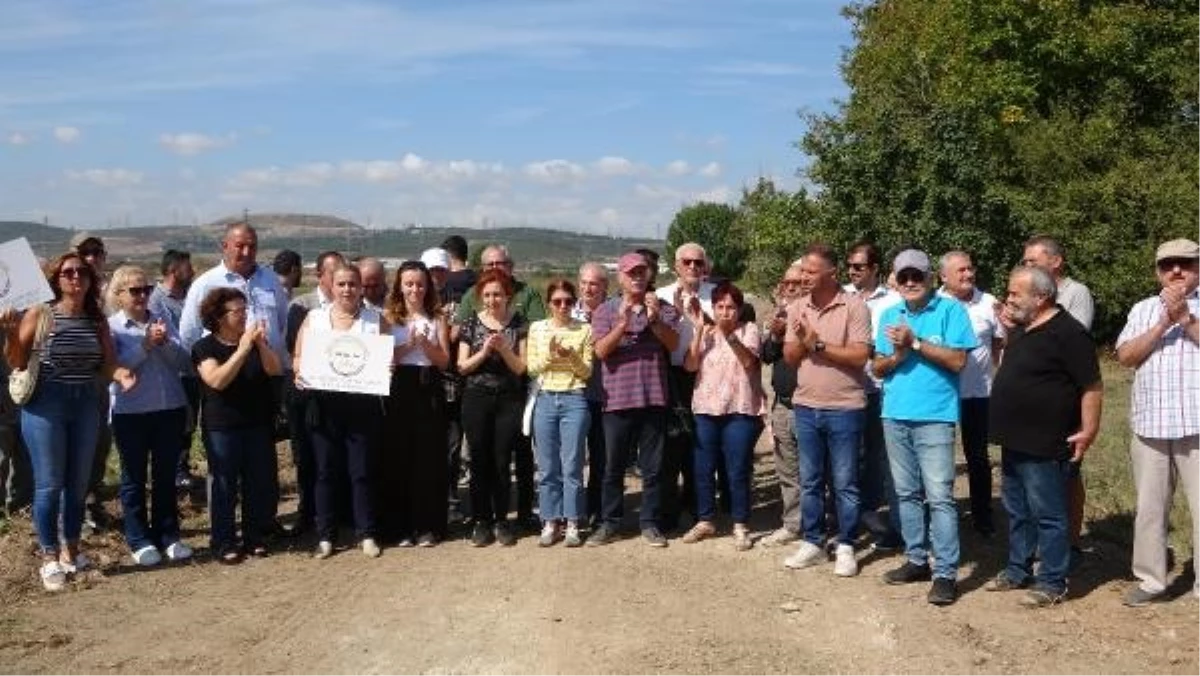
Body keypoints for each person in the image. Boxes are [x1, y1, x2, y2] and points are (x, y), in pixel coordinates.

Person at [2, 253, 122, 591]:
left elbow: (107, 363)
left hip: (85, 401)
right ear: (56, 279)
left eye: (82, 272)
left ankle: (72, 549)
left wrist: (122, 373)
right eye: (68, 272)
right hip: (46, 403)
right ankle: (49, 556)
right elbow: (17, 361)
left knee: (78, 484)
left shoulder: (96, 320)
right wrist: (11, 333)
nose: (75, 277)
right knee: (49, 484)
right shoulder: (41, 314)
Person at [986, 265, 1102, 608]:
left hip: (1047, 441)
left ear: (1041, 297)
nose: (1008, 299)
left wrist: (1089, 429)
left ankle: (1052, 580)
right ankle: (1017, 569)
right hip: (1015, 438)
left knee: (1049, 514)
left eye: (1014, 293)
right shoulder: (1024, 328)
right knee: (1017, 509)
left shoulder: (1068, 333)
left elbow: (1092, 386)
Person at [871, 249, 976, 606]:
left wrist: (914, 342)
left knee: (941, 497)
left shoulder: (950, 311)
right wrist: (899, 354)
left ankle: (945, 572)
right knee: (905, 493)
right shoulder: (889, 313)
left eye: (917, 276)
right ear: (896, 281)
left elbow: (958, 361)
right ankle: (917, 559)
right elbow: (878, 367)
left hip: (935, 416)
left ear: (931, 278)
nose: (911, 282)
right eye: (904, 277)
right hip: (895, 413)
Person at [180, 223, 290, 534]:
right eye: (239, 245)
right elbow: (189, 336)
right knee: (225, 468)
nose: (246, 252)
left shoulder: (270, 281)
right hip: (222, 386)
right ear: (224, 247)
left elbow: (280, 326)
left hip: (264, 378)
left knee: (262, 463)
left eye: (252, 246)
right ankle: (224, 534)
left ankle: (262, 524)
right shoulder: (206, 283)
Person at [1115, 238, 1200, 607]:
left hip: (1196, 423)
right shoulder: (1143, 308)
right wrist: (1162, 324)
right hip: (1151, 423)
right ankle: (1151, 580)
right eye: (1168, 265)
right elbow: (1125, 356)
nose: (1176, 271)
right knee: (1150, 508)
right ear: (1157, 271)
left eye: (1185, 264)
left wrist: (1185, 319)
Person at [780, 245, 872, 577]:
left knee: (845, 482)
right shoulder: (797, 308)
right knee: (811, 480)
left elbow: (860, 357)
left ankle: (846, 543)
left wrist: (817, 344)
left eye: (810, 271)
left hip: (845, 407)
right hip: (806, 405)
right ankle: (813, 542)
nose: (803, 277)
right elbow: (790, 358)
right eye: (802, 270)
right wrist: (804, 341)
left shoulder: (855, 307)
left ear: (831, 274)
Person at [293, 265, 386, 559]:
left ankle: (366, 533)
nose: (347, 289)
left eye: (352, 284)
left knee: (361, 472)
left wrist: (387, 367)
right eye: (341, 284)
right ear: (331, 286)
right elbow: (298, 357)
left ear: (361, 288)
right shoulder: (314, 318)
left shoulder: (375, 319)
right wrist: (300, 372)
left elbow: (386, 358)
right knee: (325, 471)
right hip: (324, 405)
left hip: (362, 406)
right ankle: (325, 536)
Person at [588, 252, 679, 547]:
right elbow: (600, 352)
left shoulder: (662, 307)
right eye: (631, 273)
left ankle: (649, 523)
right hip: (616, 400)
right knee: (612, 468)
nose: (637, 277)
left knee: (653, 468)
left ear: (650, 275)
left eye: (642, 272)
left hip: (653, 398)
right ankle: (610, 522)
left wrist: (654, 322)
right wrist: (622, 324)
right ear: (620, 277)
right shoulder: (605, 310)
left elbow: (673, 344)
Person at [106, 265, 194, 566]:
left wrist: (165, 342)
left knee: (165, 476)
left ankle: (168, 535)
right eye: (135, 291)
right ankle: (138, 538)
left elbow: (184, 362)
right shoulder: (111, 328)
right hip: (131, 413)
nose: (143, 296)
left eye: (146, 289)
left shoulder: (162, 319)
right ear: (118, 295)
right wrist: (145, 346)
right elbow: (114, 370)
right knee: (133, 478)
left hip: (168, 409)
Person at [192, 287, 283, 564]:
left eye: (246, 310)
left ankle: (254, 536)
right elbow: (217, 380)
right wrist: (242, 350)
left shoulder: (252, 343)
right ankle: (223, 541)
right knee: (223, 485)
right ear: (219, 316)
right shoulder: (205, 347)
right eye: (238, 311)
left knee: (257, 482)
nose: (245, 316)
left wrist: (260, 345)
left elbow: (274, 369)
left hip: (256, 423)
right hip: (223, 427)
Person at [1021, 235, 1095, 565]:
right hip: (1036, 400)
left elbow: (1070, 341)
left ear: (1056, 262)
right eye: (1025, 262)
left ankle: (1071, 543)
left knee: (1068, 472)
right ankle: (1043, 542)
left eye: (1033, 262)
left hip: (1067, 397)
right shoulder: (1026, 293)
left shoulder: (1075, 293)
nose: (1027, 267)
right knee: (1035, 473)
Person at [680, 282, 765, 551]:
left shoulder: (749, 330)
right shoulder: (706, 333)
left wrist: (729, 336)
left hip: (739, 409)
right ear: (713, 308)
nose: (725, 312)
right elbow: (690, 365)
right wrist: (697, 332)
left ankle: (740, 523)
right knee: (702, 468)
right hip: (706, 409)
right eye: (720, 307)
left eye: (731, 307)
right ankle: (706, 519)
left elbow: (750, 362)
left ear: (739, 309)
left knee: (737, 469)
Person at [457, 269, 529, 546]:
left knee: (501, 461)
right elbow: (462, 366)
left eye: (497, 294)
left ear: (507, 295)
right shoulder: (471, 323)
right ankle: (480, 521)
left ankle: (501, 520)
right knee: (479, 460)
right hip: (477, 398)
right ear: (479, 297)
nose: (492, 299)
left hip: (509, 399)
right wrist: (485, 351)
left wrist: (504, 350)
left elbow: (522, 367)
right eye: (486, 295)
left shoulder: (519, 322)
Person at [383, 260, 451, 547]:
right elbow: (384, 358)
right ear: (399, 285)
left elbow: (445, 360)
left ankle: (427, 526)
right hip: (399, 388)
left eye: (420, 283)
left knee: (428, 458)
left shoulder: (437, 318)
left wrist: (425, 344)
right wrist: (409, 345)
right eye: (409, 283)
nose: (415, 289)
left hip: (428, 387)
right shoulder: (387, 318)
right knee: (399, 457)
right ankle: (400, 527)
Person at [938, 251, 1005, 537]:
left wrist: (993, 373)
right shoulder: (934, 304)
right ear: (943, 277)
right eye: (960, 271)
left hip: (978, 393)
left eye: (970, 269)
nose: (968, 275)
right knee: (938, 458)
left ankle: (982, 515)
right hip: (940, 393)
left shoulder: (989, 303)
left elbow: (999, 343)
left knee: (977, 457)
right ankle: (942, 515)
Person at [843, 241, 902, 548]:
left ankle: (893, 524)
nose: (852, 271)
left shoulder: (893, 302)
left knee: (884, 460)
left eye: (859, 266)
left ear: (875, 269)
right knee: (850, 460)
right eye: (850, 266)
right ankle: (856, 520)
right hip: (848, 390)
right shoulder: (840, 297)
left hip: (883, 389)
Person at [527, 279, 594, 547]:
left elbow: (587, 371)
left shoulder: (584, 329)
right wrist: (552, 358)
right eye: (557, 302)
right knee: (547, 466)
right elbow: (531, 368)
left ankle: (573, 521)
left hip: (574, 398)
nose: (563, 306)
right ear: (548, 304)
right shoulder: (537, 328)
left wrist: (570, 357)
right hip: (544, 398)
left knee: (573, 465)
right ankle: (550, 520)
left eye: (568, 301)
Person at [284, 250, 345, 533]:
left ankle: (338, 513)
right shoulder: (301, 305)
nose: (340, 280)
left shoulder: (353, 305)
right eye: (333, 274)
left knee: (338, 454)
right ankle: (307, 513)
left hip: (344, 394)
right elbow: (297, 348)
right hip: (309, 395)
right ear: (318, 275)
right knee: (306, 455)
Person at [655, 242, 714, 530]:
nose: (693, 267)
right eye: (687, 262)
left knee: (699, 444)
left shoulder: (715, 296)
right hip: (669, 373)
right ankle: (668, 511)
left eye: (698, 263)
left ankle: (696, 506)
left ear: (705, 267)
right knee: (670, 445)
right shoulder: (661, 296)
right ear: (676, 265)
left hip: (706, 375)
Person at [759, 260, 807, 547]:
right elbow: (765, 355)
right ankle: (793, 524)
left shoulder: (816, 314)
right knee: (787, 470)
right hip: (783, 403)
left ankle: (819, 526)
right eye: (787, 283)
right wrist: (776, 334)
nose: (790, 288)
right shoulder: (778, 315)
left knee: (815, 471)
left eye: (797, 283)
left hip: (810, 404)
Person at [72, 234, 115, 532]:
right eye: (85, 252)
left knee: (99, 444)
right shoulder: (57, 293)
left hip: (103, 380)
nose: (91, 258)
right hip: (69, 381)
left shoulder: (109, 293)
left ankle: (91, 501)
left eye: (97, 252)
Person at [148, 249, 200, 488]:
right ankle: (174, 472)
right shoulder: (155, 300)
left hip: (194, 369)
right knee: (176, 423)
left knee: (190, 422)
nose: (192, 271)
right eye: (187, 267)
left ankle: (183, 467)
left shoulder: (191, 296)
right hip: (172, 371)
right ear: (172, 270)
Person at [439, 235, 476, 523]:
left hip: (449, 374)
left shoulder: (441, 289)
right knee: (465, 442)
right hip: (471, 372)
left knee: (450, 443)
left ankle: (451, 501)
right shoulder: (477, 284)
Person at [574, 262, 609, 526]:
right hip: (573, 394)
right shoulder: (565, 312)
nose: (588, 288)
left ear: (605, 287)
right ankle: (573, 510)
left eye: (594, 283)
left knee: (601, 457)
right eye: (584, 282)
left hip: (605, 394)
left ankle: (597, 507)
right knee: (572, 458)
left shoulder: (614, 313)